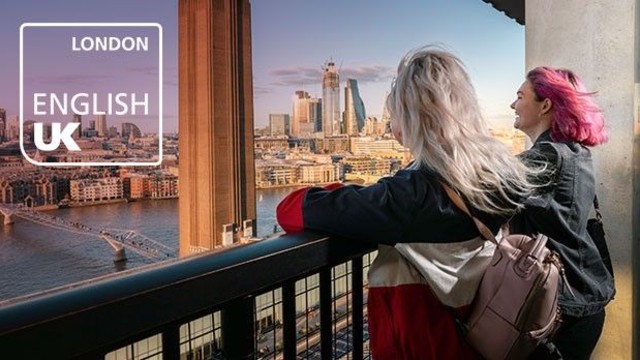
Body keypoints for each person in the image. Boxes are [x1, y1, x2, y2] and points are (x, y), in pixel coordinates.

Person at [276, 45, 538, 359]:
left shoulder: (409, 196)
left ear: (412, 116)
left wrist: (344, 187)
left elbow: (291, 209)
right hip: (478, 334)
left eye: (394, 113)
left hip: (424, 343)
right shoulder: (500, 175)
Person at [508, 66, 616, 359]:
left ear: (545, 105)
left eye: (520, 96)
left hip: (562, 314)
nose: (512, 104)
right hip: (583, 299)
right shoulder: (575, 151)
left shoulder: (547, 156)